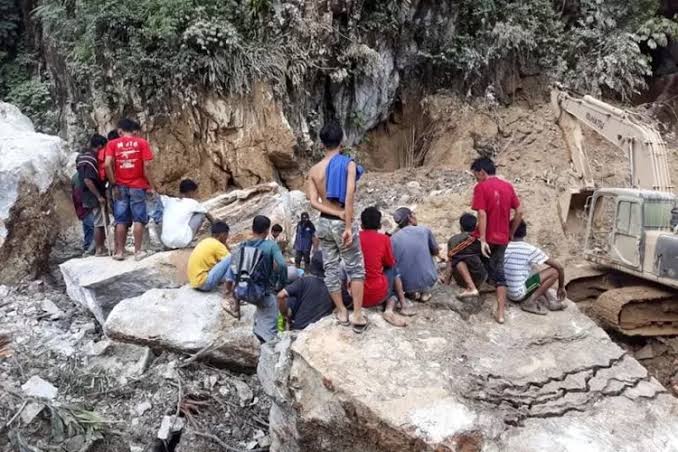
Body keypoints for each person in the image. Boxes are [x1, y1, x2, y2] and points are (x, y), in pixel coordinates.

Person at [307, 120, 367, 333]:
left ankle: (341, 311)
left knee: (330, 267)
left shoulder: (314, 170)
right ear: (341, 141)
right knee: (355, 267)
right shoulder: (348, 164)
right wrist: (347, 223)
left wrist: (332, 212)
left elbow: (314, 202)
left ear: (322, 143)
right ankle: (357, 314)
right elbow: (349, 195)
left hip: (323, 222)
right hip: (342, 222)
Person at [470, 157, 524, 324]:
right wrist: (511, 232)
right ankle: (500, 313)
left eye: (475, 175)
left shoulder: (481, 187)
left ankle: (472, 289)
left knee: (460, 253)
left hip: (485, 236)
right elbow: (520, 212)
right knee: (499, 270)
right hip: (502, 237)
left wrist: (484, 239)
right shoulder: (508, 186)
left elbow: (482, 213)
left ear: (482, 172)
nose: (476, 179)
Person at [226, 215, 287, 343]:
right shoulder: (270, 246)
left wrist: (231, 293)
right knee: (270, 321)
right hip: (263, 293)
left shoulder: (242, 246)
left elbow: (231, 271)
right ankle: (266, 342)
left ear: (252, 229)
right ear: (266, 231)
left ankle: (241, 312)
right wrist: (281, 284)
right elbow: (282, 265)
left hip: (242, 291)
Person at [104, 118, 157, 261]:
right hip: (138, 186)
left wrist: (113, 182)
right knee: (138, 219)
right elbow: (147, 166)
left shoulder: (112, 144)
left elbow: (107, 165)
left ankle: (120, 252)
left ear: (120, 131)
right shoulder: (142, 143)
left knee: (121, 219)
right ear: (133, 131)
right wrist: (151, 186)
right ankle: (138, 252)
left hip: (120, 186)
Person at [359, 207, 415, 327]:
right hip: (376, 296)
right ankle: (395, 308)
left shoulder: (355, 238)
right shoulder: (384, 239)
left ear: (362, 224)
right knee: (394, 269)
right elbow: (389, 263)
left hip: (355, 295)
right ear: (379, 225)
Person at [504, 221, 567, 314]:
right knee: (554, 271)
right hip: (518, 294)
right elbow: (559, 267)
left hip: (508, 292)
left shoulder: (504, 247)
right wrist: (561, 287)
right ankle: (529, 302)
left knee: (533, 269)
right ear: (525, 233)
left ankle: (551, 301)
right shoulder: (529, 249)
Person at [391, 207, 439, 302]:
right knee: (432, 252)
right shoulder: (424, 230)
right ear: (410, 217)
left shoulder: (393, 238)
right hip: (429, 280)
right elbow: (435, 251)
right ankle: (425, 291)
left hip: (405, 285)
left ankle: (412, 292)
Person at [276, 251, 334, 331]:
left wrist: (285, 314)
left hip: (299, 328)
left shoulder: (303, 282)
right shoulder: (334, 289)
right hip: (320, 330)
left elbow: (280, 296)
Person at [76, 134, 109, 256]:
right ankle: (99, 249)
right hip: (92, 194)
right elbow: (87, 180)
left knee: (99, 221)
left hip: (88, 194)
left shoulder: (83, 157)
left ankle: (101, 247)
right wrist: (99, 196)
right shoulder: (89, 160)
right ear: (100, 146)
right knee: (99, 222)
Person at [159, 179, 214, 249]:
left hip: (166, 242)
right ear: (191, 192)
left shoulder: (168, 201)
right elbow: (208, 215)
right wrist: (217, 225)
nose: (196, 195)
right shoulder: (192, 202)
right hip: (181, 241)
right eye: (196, 192)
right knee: (201, 215)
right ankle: (188, 241)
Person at [443, 213, 487, 298]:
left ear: (461, 227)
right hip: (481, 279)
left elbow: (450, 262)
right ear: (476, 226)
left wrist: (446, 282)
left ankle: (470, 287)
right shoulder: (480, 239)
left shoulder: (453, 240)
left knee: (456, 259)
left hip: (461, 281)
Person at [187, 222, 231, 292]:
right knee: (231, 258)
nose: (227, 238)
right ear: (223, 235)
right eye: (226, 235)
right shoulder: (217, 245)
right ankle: (230, 287)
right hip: (204, 283)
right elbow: (231, 260)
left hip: (195, 283)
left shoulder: (206, 241)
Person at [71, 172, 94, 254]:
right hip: (86, 207)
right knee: (94, 226)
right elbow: (78, 196)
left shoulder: (75, 176)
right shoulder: (81, 176)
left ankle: (87, 247)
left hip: (81, 209)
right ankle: (91, 249)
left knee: (88, 228)